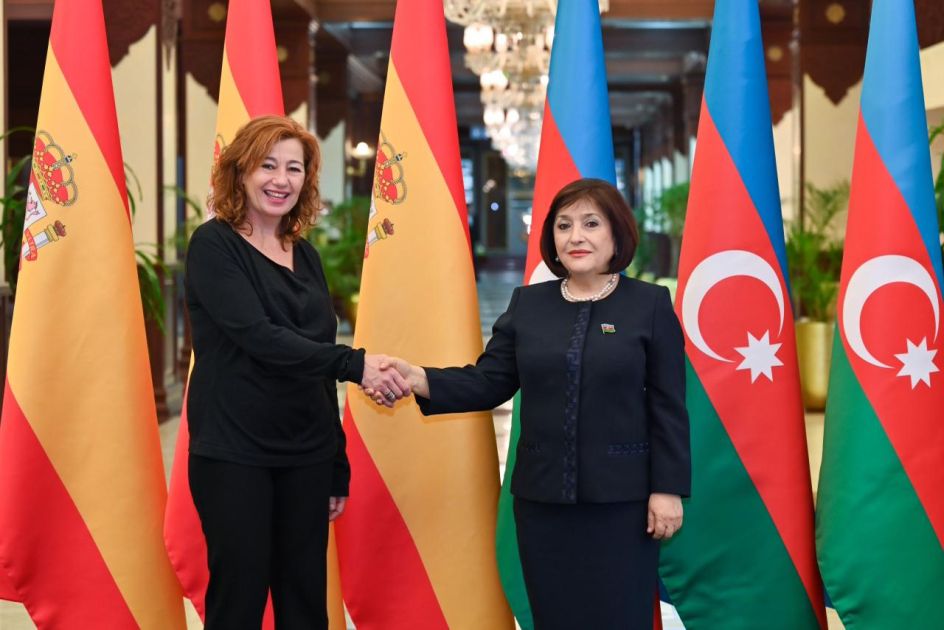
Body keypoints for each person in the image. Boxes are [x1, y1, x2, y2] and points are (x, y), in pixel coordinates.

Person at [378, 178, 690, 628]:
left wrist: (667, 488)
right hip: (542, 503)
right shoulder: (528, 304)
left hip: (624, 503)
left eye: (591, 223)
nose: (576, 236)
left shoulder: (649, 304)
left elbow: (668, 405)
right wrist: (418, 378)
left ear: (617, 233)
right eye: (564, 225)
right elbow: (488, 381)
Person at [184, 115, 409, 630]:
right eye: (268, 166)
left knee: (306, 600)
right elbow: (261, 338)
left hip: (306, 452)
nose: (281, 180)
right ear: (240, 171)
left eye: (294, 168)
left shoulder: (304, 254)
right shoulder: (213, 245)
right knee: (239, 599)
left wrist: (335, 462)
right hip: (234, 451)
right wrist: (356, 364)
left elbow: (315, 358)